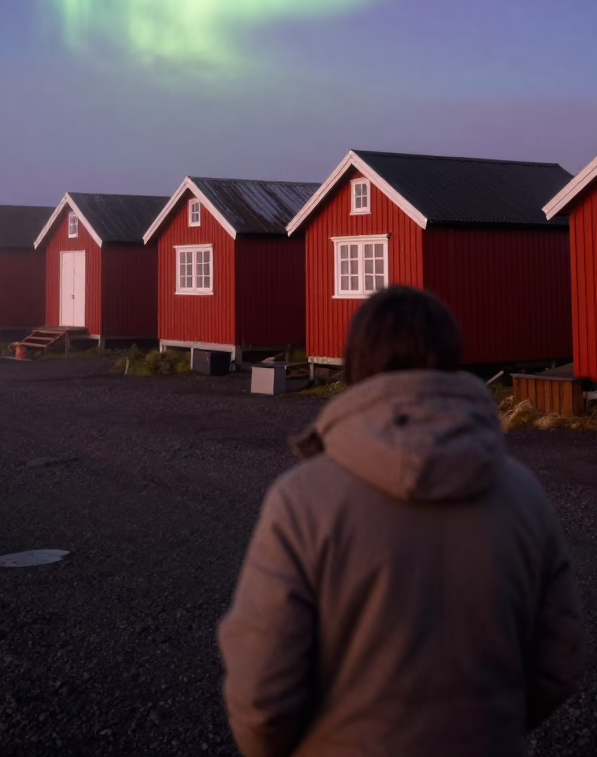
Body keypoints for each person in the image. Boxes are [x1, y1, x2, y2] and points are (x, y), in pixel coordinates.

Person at [218, 285, 583, 757]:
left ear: (353, 363)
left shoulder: (301, 500)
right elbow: (559, 661)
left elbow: (261, 695)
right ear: (453, 359)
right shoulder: (523, 494)